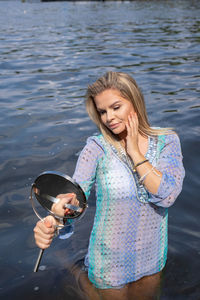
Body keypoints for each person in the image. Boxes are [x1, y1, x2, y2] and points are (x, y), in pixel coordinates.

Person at [34, 71, 185, 300]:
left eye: (116, 107)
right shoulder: (96, 148)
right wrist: (56, 218)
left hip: (151, 258)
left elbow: (168, 196)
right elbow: (77, 196)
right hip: (109, 262)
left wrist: (134, 152)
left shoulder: (167, 142)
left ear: (135, 102)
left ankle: (75, 273)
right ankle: (76, 272)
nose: (108, 118)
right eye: (102, 111)